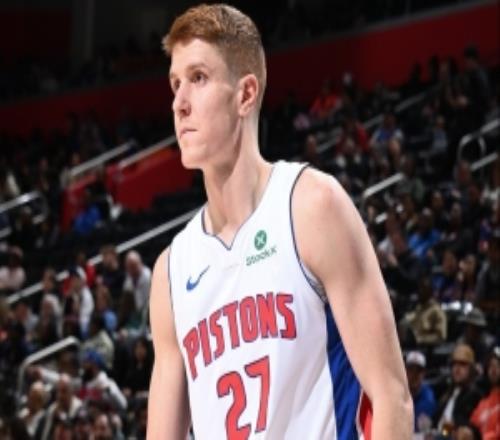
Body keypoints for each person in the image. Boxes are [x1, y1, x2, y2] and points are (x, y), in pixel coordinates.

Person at [147, 4, 412, 439]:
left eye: (198, 78)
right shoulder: (170, 273)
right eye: (176, 83)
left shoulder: (312, 207)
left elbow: (391, 397)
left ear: (245, 94)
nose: (180, 103)